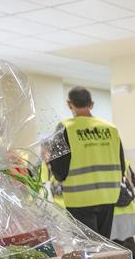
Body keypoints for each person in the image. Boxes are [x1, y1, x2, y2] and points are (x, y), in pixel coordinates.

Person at [47, 86, 127, 239]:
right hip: (108, 196)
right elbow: (121, 164)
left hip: (79, 198)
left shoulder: (65, 128)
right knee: (104, 245)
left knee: (87, 247)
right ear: (92, 104)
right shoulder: (110, 128)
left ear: (69, 104)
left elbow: (59, 168)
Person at [112, 162, 135, 258]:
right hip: (129, 211)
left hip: (111, 213)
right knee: (128, 244)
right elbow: (133, 183)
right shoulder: (126, 162)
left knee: (114, 248)